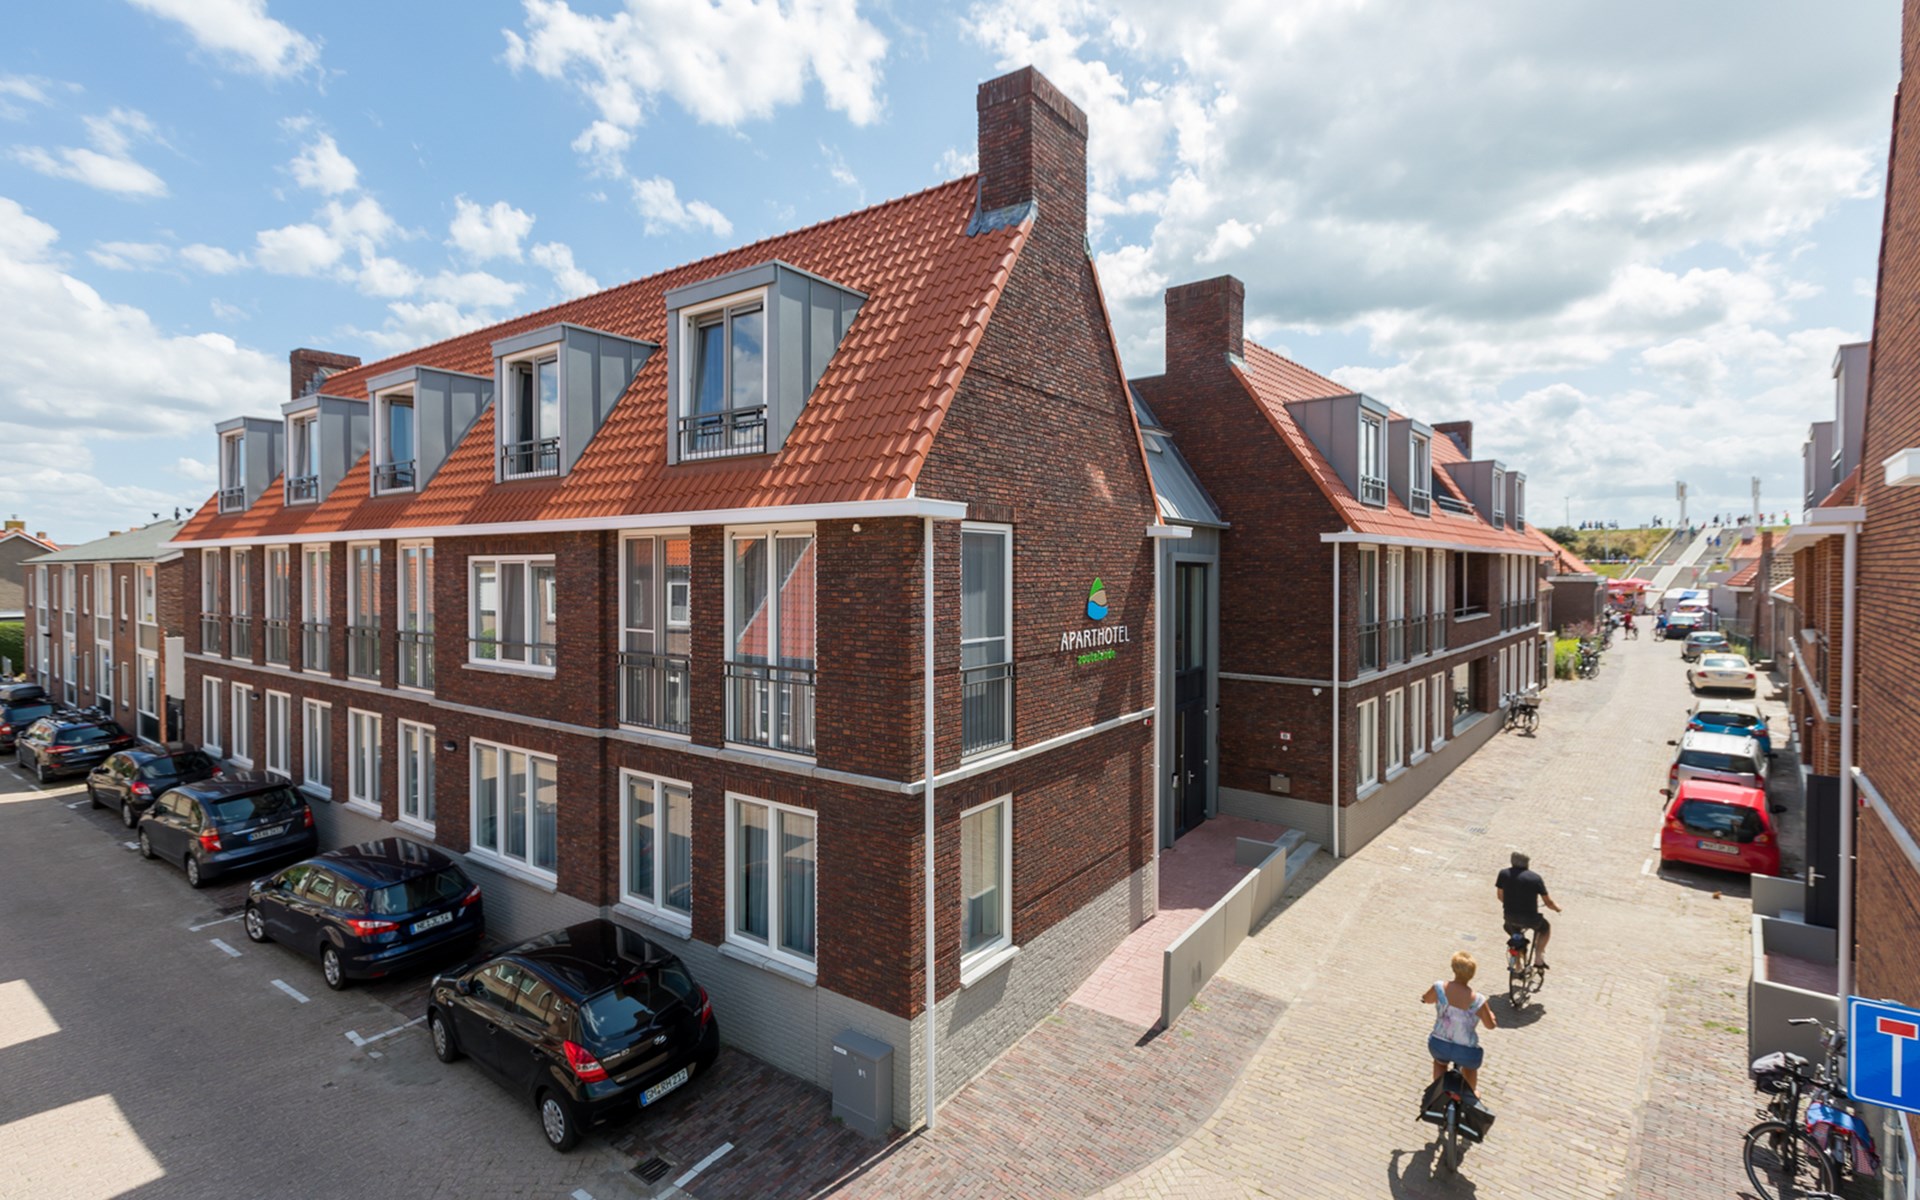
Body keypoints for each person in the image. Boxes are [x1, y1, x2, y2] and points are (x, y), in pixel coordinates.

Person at [1423, 952, 1496, 1092]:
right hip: (1466, 1050)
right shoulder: (1478, 1000)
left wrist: (1424, 998)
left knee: (1440, 1063)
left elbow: (1427, 999)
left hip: (1439, 1044)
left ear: (1453, 968)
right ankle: (1471, 1093)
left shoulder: (1439, 988)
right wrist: (1491, 1016)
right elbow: (1490, 1026)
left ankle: (1439, 1091)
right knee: (1470, 1068)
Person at [1496, 852, 1562, 968]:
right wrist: (1557, 909)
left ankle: (1517, 964)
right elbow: (1548, 902)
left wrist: (1511, 904)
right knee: (1545, 928)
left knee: (1513, 932)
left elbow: (1500, 896)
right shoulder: (1535, 878)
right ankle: (1538, 957)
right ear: (1527, 863)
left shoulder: (1503, 874)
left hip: (1510, 916)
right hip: (1531, 918)